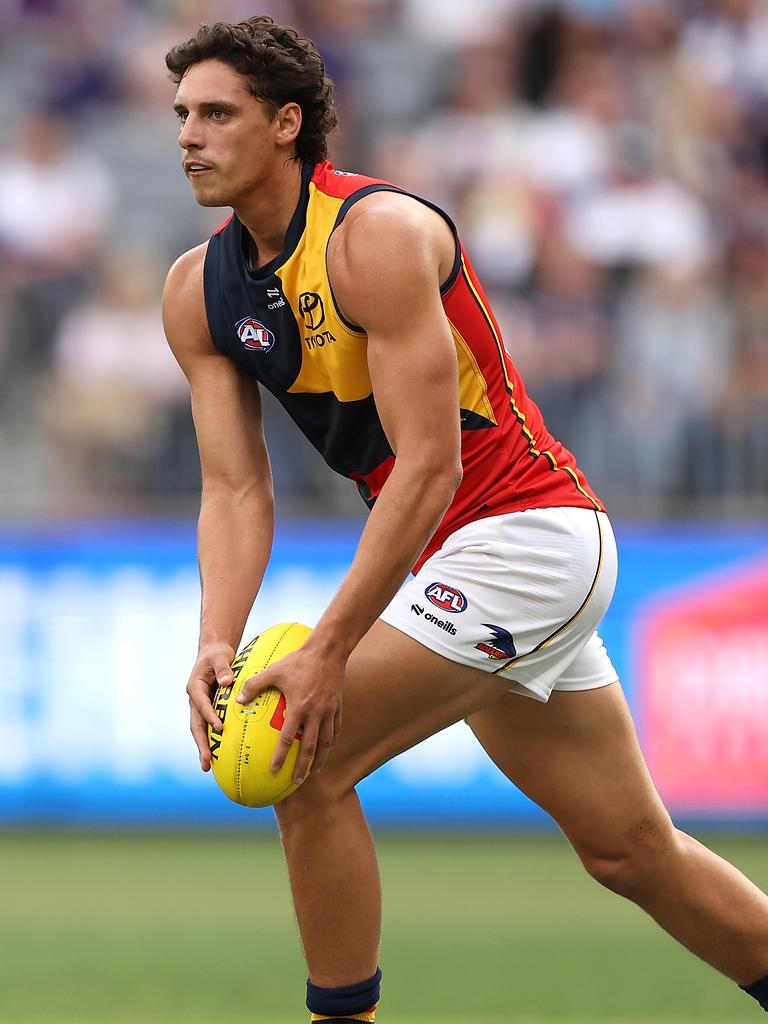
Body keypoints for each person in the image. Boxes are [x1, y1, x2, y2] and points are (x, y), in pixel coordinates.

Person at [162, 17, 768, 1024]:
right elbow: (233, 488)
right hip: (469, 556)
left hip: (528, 534)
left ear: (286, 124)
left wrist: (328, 647)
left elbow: (433, 464)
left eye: (217, 114)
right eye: (182, 114)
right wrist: (216, 634)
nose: (188, 135)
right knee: (630, 851)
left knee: (303, 757)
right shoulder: (198, 291)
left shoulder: (377, 236)